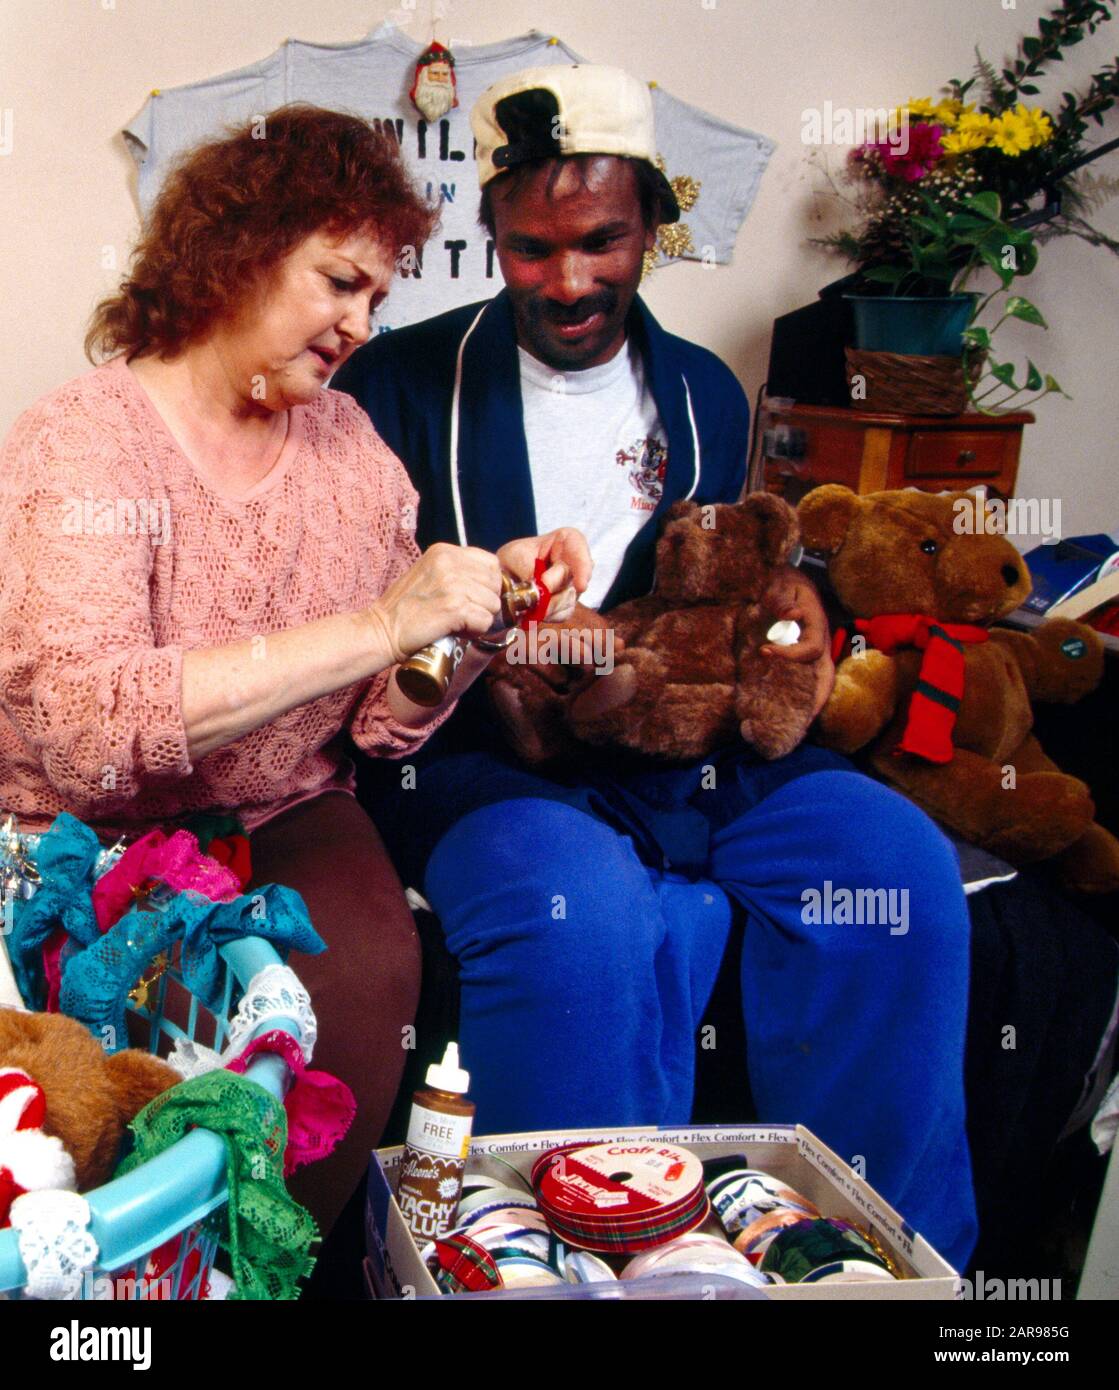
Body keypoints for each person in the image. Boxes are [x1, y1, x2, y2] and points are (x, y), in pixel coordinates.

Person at [333, 65, 979, 1270]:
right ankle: (559, 1267)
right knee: (583, 923)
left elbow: (723, 596)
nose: (568, 280)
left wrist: (789, 634)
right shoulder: (394, 388)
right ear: (492, 234)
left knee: (896, 869)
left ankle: (878, 1259)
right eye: (530, 249)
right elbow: (356, 637)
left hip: (688, 752)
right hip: (483, 765)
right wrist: (483, 651)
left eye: (600, 241)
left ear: (652, 228)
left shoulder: (703, 393)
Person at [0, 104, 585, 1236]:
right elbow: (87, 732)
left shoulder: (352, 449)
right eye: (339, 282)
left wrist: (469, 628)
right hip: (81, 831)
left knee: (363, 975)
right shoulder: (82, 443)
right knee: (92, 1097)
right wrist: (382, 618)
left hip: (283, 808)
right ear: (240, 252)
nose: (363, 322)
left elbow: (380, 723)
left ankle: (294, 1265)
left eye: (379, 297)